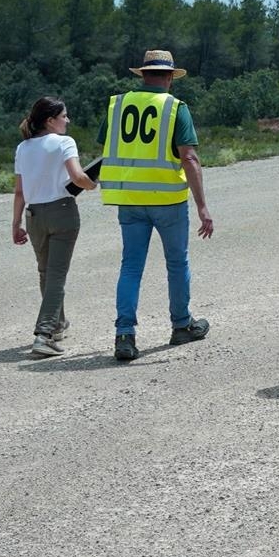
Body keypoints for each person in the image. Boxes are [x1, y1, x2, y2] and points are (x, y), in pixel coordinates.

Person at [100, 50, 215, 363]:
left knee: (131, 266)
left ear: (142, 75)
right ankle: (181, 325)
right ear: (168, 78)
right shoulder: (175, 108)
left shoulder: (117, 105)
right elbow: (189, 158)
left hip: (130, 201)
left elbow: (107, 150)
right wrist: (203, 206)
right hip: (167, 200)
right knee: (176, 263)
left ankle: (124, 334)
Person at [12, 96, 97, 357]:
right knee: (56, 276)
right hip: (62, 213)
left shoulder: (22, 148)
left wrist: (15, 224)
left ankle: (58, 325)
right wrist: (93, 184)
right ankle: (44, 334)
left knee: (46, 273)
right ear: (50, 121)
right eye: (64, 116)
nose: (68, 120)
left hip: (33, 215)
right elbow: (78, 177)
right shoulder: (64, 143)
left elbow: (19, 191)